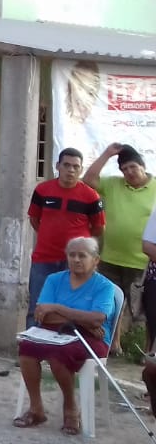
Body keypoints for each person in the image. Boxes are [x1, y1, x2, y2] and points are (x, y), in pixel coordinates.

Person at [14, 236, 119, 436]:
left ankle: (71, 408)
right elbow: (42, 315)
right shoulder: (54, 279)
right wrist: (81, 320)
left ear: (96, 260)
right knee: (27, 347)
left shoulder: (104, 286)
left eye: (82, 255)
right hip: (59, 332)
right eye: (72, 255)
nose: (76, 259)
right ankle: (36, 409)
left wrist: (58, 308)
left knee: (59, 355)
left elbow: (97, 319)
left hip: (93, 339)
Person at [84, 143, 153, 355]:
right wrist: (107, 154)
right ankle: (113, 345)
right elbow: (88, 180)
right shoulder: (114, 185)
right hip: (110, 258)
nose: (129, 173)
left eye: (132, 167)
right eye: (124, 169)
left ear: (142, 165)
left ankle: (148, 351)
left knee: (145, 310)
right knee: (111, 304)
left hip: (142, 261)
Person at [28, 147, 104, 328]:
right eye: (66, 165)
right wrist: (50, 237)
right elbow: (34, 219)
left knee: (71, 308)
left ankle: (63, 351)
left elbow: (99, 228)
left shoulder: (91, 196)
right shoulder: (42, 190)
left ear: (81, 169)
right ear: (58, 166)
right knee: (37, 306)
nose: (71, 170)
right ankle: (32, 349)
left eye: (75, 167)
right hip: (43, 259)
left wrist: (79, 247)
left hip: (76, 261)